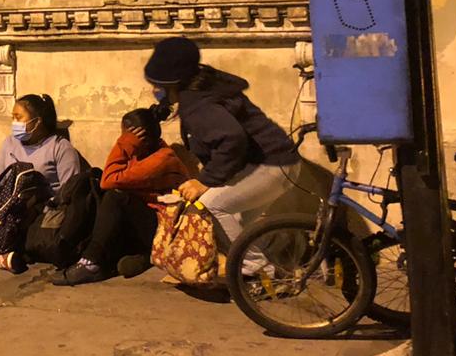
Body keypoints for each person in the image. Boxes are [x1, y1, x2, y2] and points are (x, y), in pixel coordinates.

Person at [139, 36, 298, 271]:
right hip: (277, 163)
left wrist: (205, 181)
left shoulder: (198, 105)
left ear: (173, 83)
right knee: (239, 225)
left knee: (210, 207)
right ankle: (282, 258)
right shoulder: (204, 88)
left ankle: (261, 272)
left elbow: (232, 139)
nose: (154, 90)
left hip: (271, 166)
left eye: (157, 85)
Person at [51, 108, 189, 285]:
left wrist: (124, 145)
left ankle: (91, 262)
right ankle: (111, 258)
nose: (123, 140)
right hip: (139, 220)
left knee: (115, 196)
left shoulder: (161, 159)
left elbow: (109, 180)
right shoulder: (140, 153)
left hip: (160, 228)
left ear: (140, 138)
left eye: (126, 136)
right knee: (95, 191)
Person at [0, 93, 85, 272]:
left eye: (18, 117)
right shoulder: (10, 143)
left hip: (36, 217)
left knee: (37, 237)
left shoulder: (60, 147)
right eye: (13, 117)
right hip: (4, 214)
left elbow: (69, 191)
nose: (14, 123)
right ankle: (1, 257)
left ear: (37, 121)